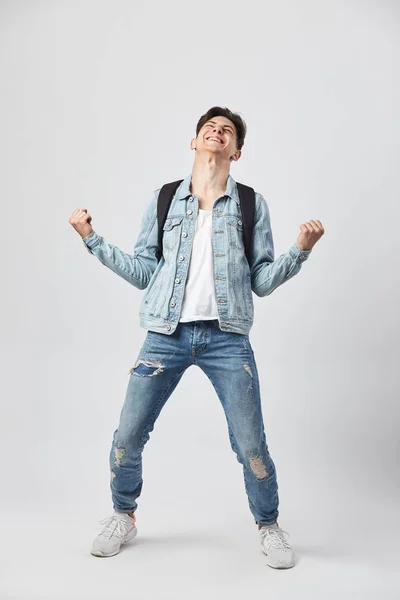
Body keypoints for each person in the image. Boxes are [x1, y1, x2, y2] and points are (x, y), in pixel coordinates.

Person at [69, 106, 324, 568]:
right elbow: (144, 270)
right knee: (128, 434)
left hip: (227, 340)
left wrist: (299, 252)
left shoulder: (250, 204)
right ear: (194, 142)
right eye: (209, 127)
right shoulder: (165, 198)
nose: (217, 131)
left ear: (237, 150)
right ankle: (122, 516)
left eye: (227, 130)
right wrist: (92, 239)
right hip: (165, 335)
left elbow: (262, 281)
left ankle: (269, 525)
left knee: (250, 443)